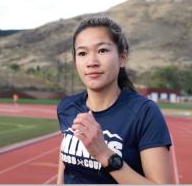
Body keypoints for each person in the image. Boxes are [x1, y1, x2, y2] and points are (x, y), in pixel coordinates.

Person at [56, 16, 173, 184]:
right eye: (82, 53)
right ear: (75, 62)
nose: (91, 62)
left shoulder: (144, 112)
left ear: (123, 57)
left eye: (102, 50)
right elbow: (65, 168)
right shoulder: (67, 107)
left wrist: (104, 153)